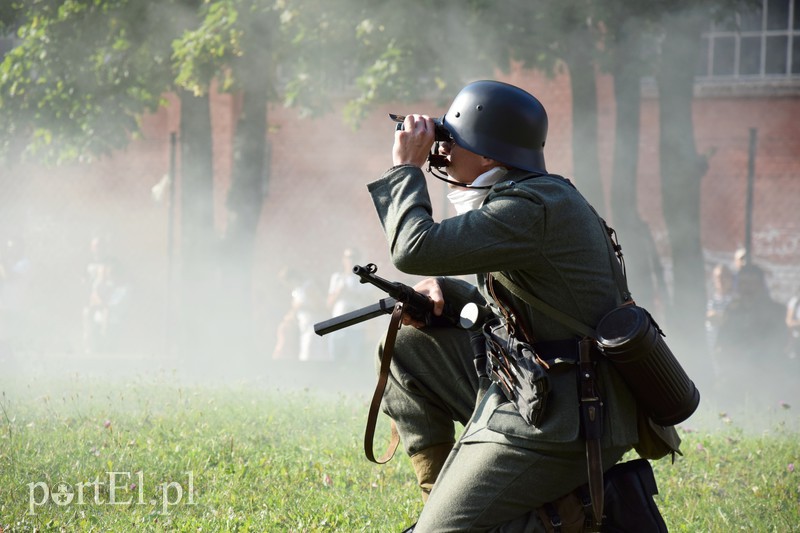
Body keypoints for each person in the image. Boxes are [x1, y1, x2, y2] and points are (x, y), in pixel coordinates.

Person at [365, 80, 666, 531]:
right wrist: (445, 291)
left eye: (450, 141)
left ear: (489, 157)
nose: (440, 151)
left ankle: (560, 517)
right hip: (535, 385)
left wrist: (405, 168)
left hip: (569, 416)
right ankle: (447, 502)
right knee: (409, 345)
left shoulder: (530, 207)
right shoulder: (524, 196)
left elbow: (412, 249)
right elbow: (523, 310)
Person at [326, 247, 373, 361]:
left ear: (359, 259)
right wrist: (338, 292)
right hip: (338, 325)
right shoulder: (337, 277)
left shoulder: (365, 279)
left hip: (357, 327)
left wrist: (352, 295)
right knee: (335, 361)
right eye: (348, 257)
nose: (351, 260)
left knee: (355, 361)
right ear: (343, 259)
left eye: (354, 257)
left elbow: (370, 302)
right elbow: (328, 304)